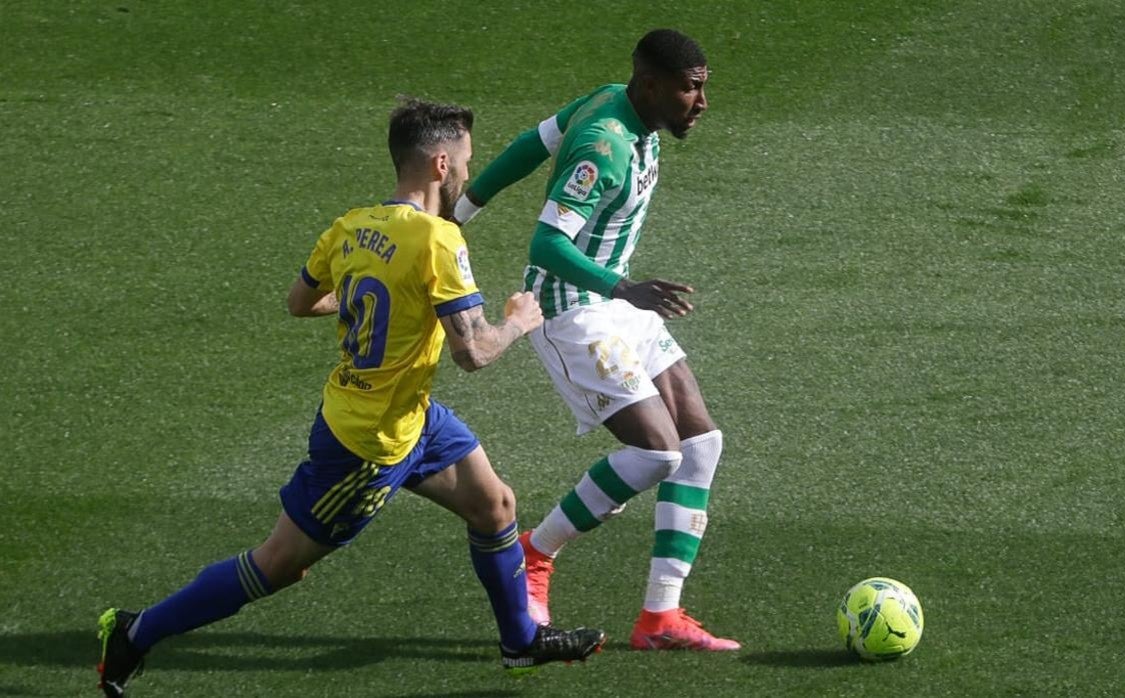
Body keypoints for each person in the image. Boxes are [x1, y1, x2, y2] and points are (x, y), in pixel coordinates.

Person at [95, 98, 606, 697]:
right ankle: (136, 632)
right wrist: (519, 320)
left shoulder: (352, 226)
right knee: (279, 563)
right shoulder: (439, 241)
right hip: (370, 445)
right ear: (441, 164)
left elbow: (300, 301)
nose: (469, 171)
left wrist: (383, 302)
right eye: (466, 161)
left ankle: (520, 641)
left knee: (494, 505)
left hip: (409, 414)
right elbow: (475, 354)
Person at [450, 29, 738, 651]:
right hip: (572, 310)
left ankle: (660, 617)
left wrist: (460, 212)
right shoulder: (602, 146)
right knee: (659, 454)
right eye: (691, 90)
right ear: (652, 85)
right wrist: (623, 285)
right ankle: (535, 552)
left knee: (701, 443)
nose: (701, 103)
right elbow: (547, 245)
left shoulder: (615, 103)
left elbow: (532, 143)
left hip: (616, 303)